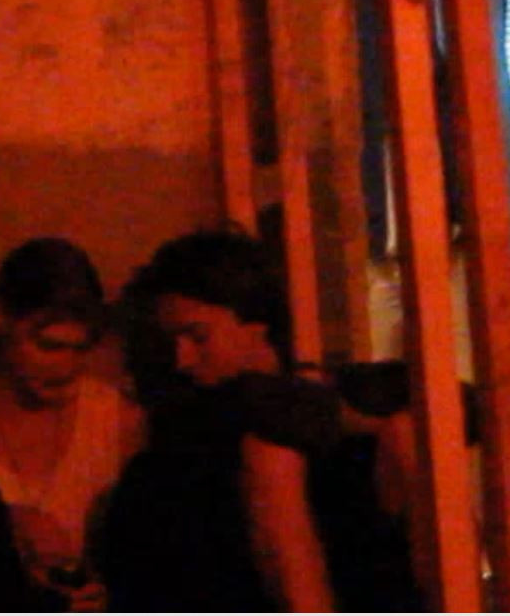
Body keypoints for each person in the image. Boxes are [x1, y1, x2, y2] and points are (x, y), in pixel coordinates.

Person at [100, 228, 410, 613]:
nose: (182, 359)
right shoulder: (172, 452)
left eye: (198, 337)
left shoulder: (342, 430)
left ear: (256, 327)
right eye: (171, 343)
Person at [0, 237, 142, 611]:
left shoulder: (116, 419)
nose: (66, 367)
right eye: (48, 346)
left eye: (79, 349)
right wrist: (5, 524)